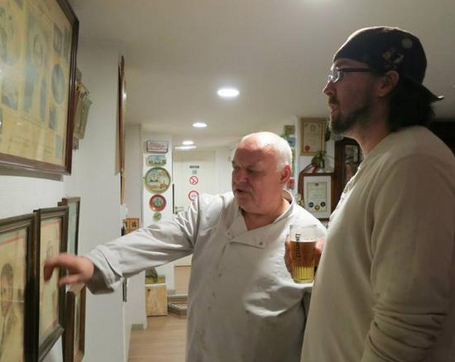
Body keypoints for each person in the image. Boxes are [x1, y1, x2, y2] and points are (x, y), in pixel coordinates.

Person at [45, 131, 326, 362]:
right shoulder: (212, 210)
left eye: (252, 171)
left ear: (284, 175)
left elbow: (324, 319)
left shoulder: (309, 235)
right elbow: (157, 238)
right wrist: (96, 262)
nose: (239, 179)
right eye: (236, 168)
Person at [291, 26, 455, 362]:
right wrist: (333, 261)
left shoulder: (414, 160)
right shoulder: (381, 162)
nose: (327, 87)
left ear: (386, 83)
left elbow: (407, 321)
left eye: (340, 72)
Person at [0, 263, 21, 362]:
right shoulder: (6, 323)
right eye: (0, 293)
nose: (1, 299)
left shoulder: (14, 323)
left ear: (11, 292)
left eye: (4, 292)